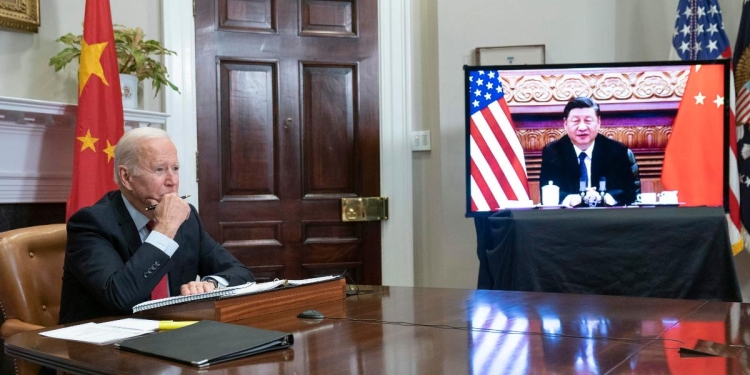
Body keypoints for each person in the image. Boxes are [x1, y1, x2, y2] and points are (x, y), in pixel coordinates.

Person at [59, 127, 254, 324]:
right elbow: (121, 298)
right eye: (159, 169)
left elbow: (241, 273)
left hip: (172, 337)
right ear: (126, 177)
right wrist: (165, 230)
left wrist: (211, 284)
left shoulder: (186, 218)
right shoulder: (91, 224)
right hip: (102, 345)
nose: (173, 181)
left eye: (175, 169)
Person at [539, 97, 638, 206]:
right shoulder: (553, 152)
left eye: (588, 121)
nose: (582, 127)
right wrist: (572, 199)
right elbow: (548, 191)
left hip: (609, 218)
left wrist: (603, 197)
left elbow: (629, 192)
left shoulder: (616, 151)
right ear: (565, 124)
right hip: (568, 219)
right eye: (576, 121)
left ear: (599, 122)